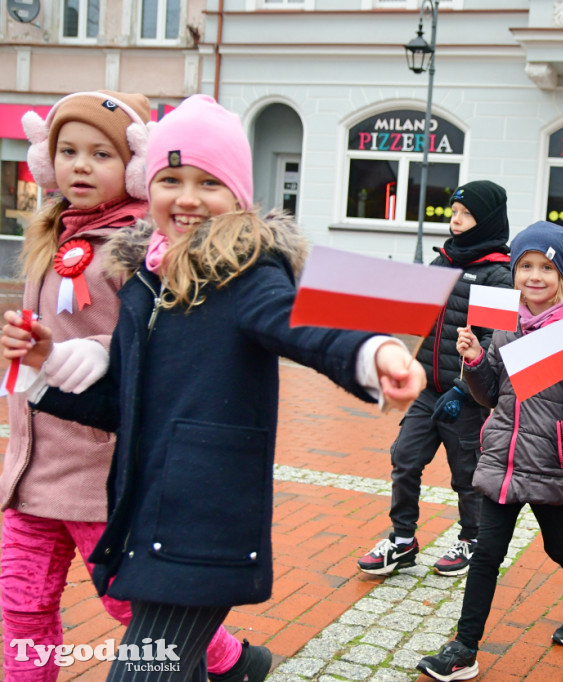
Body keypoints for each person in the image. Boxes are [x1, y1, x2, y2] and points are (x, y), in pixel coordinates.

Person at [0, 94, 425, 682]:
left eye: (209, 181)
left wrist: (372, 351)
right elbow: (121, 403)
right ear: (149, 188)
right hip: (145, 525)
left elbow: (298, 319)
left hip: (201, 528)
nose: (188, 197)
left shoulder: (245, 272)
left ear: (237, 196)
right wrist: (47, 367)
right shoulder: (147, 280)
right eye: (171, 179)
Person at [0, 91, 269, 682]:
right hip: (29, 468)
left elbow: (155, 336)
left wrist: (89, 353)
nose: (79, 165)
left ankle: (231, 662)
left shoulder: (145, 246)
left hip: (101, 472)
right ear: (46, 161)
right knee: (21, 610)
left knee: (132, 608)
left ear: (135, 169)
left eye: (100, 153)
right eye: (67, 151)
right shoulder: (50, 236)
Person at [416, 221, 563, 681]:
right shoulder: (506, 323)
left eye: (546, 266)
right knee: (486, 554)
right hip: (503, 458)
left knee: (558, 543)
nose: (534, 276)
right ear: (514, 271)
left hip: (549, 461)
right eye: (525, 266)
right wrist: (476, 361)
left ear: (562, 273)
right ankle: (464, 648)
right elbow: (492, 394)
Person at [356, 180, 513, 577]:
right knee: (404, 459)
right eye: (453, 213)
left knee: (466, 475)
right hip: (427, 389)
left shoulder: (497, 274)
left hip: (466, 396)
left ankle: (472, 539)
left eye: (465, 214)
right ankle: (403, 540)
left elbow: (495, 343)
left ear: (486, 220)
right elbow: (412, 322)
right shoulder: (441, 261)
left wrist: (465, 389)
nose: (455, 221)